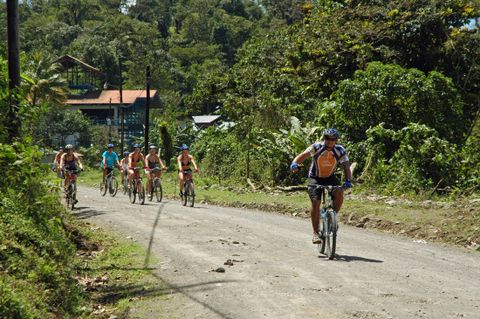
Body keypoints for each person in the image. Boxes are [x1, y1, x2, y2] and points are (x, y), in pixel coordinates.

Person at [290, 128, 352, 244]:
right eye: (328, 139)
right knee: (316, 202)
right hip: (315, 177)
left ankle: (331, 219)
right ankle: (315, 233)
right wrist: (294, 163)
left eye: (333, 139)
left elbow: (346, 167)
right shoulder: (316, 147)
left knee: (339, 193)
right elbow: (302, 156)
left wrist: (348, 180)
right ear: (324, 139)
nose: (330, 141)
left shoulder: (340, 150)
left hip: (330, 177)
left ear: (336, 140)